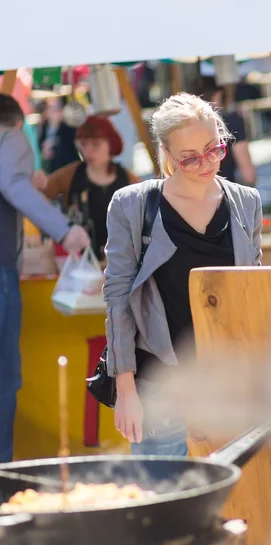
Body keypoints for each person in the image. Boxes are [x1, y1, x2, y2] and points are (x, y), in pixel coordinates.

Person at [103, 92, 262, 456]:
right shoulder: (132, 205)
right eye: (190, 158)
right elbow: (118, 299)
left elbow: (252, 293)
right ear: (167, 155)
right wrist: (125, 389)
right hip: (162, 387)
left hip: (229, 388)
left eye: (214, 149)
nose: (206, 164)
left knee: (231, 506)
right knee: (161, 503)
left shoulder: (246, 203)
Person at [0, 94, 90, 462]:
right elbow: (13, 185)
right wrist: (65, 230)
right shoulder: (11, 137)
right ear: (17, 123)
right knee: (4, 381)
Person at [41, 116, 139, 261]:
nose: (88, 151)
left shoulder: (130, 180)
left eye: (96, 145)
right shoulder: (69, 175)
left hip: (122, 263)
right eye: (83, 144)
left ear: (111, 144)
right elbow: (40, 194)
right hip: (79, 263)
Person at [198, 77, 257, 186]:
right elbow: (249, 175)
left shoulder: (185, 126)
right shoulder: (231, 121)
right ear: (218, 95)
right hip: (222, 191)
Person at [38, 97, 79, 174]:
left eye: (55, 108)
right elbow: (41, 146)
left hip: (68, 169)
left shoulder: (68, 127)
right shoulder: (43, 128)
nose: (52, 112)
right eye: (49, 108)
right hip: (52, 170)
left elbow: (70, 147)